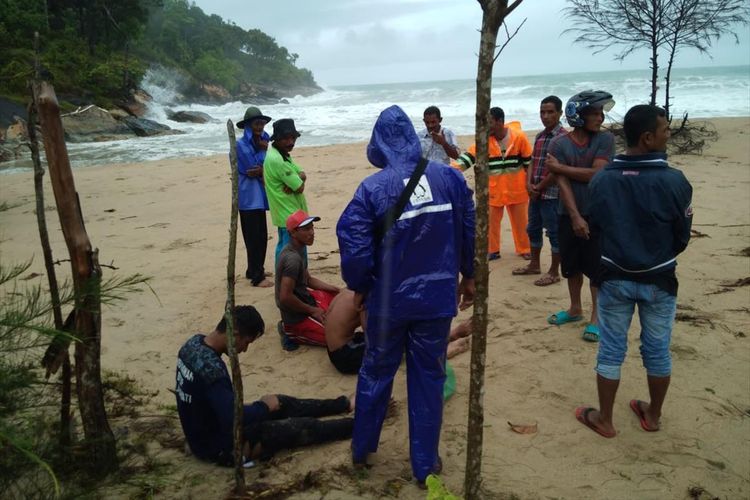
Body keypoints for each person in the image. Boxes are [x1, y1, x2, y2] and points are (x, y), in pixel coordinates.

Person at [337, 105, 475, 485]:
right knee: (429, 376)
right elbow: (468, 227)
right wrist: (470, 275)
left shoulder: (372, 189)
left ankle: (362, 449)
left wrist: (360, 287)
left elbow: (354, 245)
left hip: (388, 303)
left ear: (380, 143)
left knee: (376, 372)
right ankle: (425, 463)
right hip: (435, 299)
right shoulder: (450, 180)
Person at [574, 104, 692, 438]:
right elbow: (681, 236)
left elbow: (594, 225)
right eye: (665, 130)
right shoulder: (675, 181)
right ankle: (652, 415)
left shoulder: (604, 179)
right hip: (659, 278)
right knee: (656, 349)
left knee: (611, 349)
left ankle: (605, 419)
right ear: (648, 137)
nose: (668, 134)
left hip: (615, 276)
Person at [175, 305, 354, 466]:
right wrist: (263, 408)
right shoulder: (211, 370)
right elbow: (233, 417)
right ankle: (356, 424)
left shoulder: (193, 344)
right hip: (219, 444)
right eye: (246, 342)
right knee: (303, 427)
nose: (244, 350)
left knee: (282, 402)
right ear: (235, 333)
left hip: (205, 429)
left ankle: (342, 404)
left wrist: (265, 407)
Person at [545, 90, 616, 342]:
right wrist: (575, 217)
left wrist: (560, 168)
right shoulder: (559, 144)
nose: (600, 118)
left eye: (600, 113)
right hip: (567, 213)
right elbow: (562, 184)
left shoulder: (605, 140)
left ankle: (596, 318)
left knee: (597, 268)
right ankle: (575, 308)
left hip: (598, 213)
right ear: (578, 116)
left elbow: (597, 174)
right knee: (571, 266)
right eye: (594, 113)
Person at [324, 288, 472, 375]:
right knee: (397, 346)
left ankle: (445, 340)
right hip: (345, 357)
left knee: (398, 336)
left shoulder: (349, 291)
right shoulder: (366, 298)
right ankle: (451, 339)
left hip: (336, 350)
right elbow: (373, 336)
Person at [455, 107, 532, 260]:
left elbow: (529, 163)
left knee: (521, 221)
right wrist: (450, 171)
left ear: (500, 122)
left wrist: (530, 184)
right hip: (493, 190)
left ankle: (525, 248)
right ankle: (493, 250)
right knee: (490, 223)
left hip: (517, 188)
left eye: (488, 122)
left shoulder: (519, 137)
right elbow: (468, 158)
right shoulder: (483, 140)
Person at [512, 96, 567, 286]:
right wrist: (528, 184)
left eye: (550, 112)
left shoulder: (563, 138)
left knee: (554, 232)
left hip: (552, 194)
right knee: (532, 228)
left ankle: (554, 271)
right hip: (534, 192)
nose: (545, 116)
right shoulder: (540, 136)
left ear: (560, 113)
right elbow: (533, 161)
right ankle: (534, 264)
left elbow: (558, 168)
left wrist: (540, 186)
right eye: (542, 112)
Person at [276, 210, 340, 350]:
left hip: (306, 299)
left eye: (312, 227)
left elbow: (308, 279)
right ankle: (289, 331)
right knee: (337, 339)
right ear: (293, 233)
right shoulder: (292, 259)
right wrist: (312, 310)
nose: (311, 232)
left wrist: (335, 289)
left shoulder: (298, 249)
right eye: (306, 229)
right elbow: (285, 297)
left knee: (340, 297)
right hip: (297, 316)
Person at [236, 106, 273, 288]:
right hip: (248, 198)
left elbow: (264, 168)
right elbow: (252, 169)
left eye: (262, 123)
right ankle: (257, 277)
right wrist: (264, 153)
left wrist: (263, 167)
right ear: (248, 126)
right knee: (253, 238)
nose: (260, 127)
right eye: (257, 124)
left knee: (261, 235)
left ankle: (254, 269)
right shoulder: (241, 145)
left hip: (259, 197)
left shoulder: (262, 141)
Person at [263, 118, 308, 265]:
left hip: (285, 212)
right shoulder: (278, 160)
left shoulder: (282, 154)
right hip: (289, 214)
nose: (291, 142)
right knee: (293, 253)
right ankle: (294, 283)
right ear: (277, 139)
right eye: (286, 139)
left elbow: (301, 173)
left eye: (293, 138)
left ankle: (283, 281)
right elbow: (300, 187)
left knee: (283, 248)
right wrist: (298, 180)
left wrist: (299, 177)